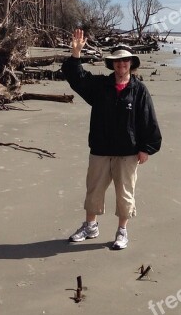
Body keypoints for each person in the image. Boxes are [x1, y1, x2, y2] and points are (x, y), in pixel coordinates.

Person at [62, 30, 162, 249]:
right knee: (94, 190)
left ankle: (122, 231)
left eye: (125, 60)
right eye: (117, 61)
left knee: (125, 193)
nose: (121, 64)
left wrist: (146, 148)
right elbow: (77, 79)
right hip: (100, 149)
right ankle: (90, 226)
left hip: (128, 153)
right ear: (112, 64)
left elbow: (148, 120)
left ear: (131, 64)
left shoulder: (139, 91)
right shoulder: (100, 87)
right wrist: (76, 54)